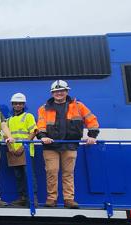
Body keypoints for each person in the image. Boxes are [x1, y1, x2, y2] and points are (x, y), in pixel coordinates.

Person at [36, 80, 100, 208]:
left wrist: (92, 136)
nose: (59, 93)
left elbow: (92, 120)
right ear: (52, 93)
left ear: (67, 92)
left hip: (70, 145)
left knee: (68, 173)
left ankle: (69, 199)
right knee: (51, 172)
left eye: (61, 91)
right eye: (56, 91)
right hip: (51, 146)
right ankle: (51, 199)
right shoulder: (43, 108)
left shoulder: (78, 106)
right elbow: (40, 126)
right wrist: (43, 137)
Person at [6, 93, 38, 207]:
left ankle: (33, 199)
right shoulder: (8, 120)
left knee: (29, 175)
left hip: (26, 151)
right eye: (15, 103)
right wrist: (11, 149)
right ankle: (23, 198)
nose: (18, 105)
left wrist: (22, 147)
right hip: (13, 153)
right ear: (12, 105)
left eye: (20, 103)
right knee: (19, 177)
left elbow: (34, 131)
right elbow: (5, 136)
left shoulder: (28, 116)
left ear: (23, 105)